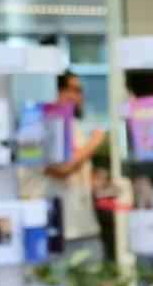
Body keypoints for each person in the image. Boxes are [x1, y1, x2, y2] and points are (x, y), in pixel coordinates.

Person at [19, 70, 105, 260]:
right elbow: (62, 169)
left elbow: (77, 169)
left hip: (85, 229)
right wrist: (94, 142)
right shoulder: (34, 126)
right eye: (70, 90)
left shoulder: (75, 126)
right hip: (52, 234)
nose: (77, 97)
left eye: (79, 91)